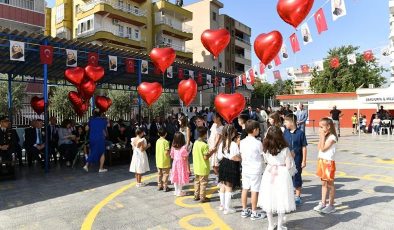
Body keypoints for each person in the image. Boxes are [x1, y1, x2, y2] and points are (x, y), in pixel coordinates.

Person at [258, 126, 296, 230]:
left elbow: (265, 161)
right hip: (282, 174)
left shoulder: (265, 148)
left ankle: (270, 225)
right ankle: (280, 226)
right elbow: (289, 166)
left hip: (269, 173)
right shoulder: (285, 149)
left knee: (269, 198)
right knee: (281, 199)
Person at [240, 120, 265, 220]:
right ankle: (254, 212)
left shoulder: (242, 142)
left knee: (245, 188)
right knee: (255, 190)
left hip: (245, 168)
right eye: (258, 129)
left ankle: (244, 210)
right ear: (255, 130)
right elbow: (262, 155)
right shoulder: (258, 143)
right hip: (255, 169)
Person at [314, 118, 338, 214]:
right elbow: (319, 147)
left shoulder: (332, 137)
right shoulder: (325, 136)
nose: (319, 129)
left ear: (328, 127)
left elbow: (323, 149)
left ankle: (331, 205)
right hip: (321, 161)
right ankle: (323, 202)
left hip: (328, 163)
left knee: (330, 185)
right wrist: (322, 136)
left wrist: (322, 136)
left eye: (321, 127)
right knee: (323, 183)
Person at [283, 114, 308, 206]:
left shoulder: (300, 133)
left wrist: (304, 160)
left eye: (286, 121)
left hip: (297, 159)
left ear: (292, 122)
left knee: (297, 177)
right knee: (287, 177)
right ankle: (289, 195)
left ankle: (298, 196)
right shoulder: (285, 132)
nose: (284, 123)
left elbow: (304, 147)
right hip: (286, 160)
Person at [217, 125, 241, 215]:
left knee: (222, 185)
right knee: (229, 187)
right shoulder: (234, 144)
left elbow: (219, 156)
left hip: (223, 164)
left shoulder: (222, 143)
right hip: (231, 166)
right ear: (231, 133)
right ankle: (227, 208)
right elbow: (235, 156)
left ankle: (222, 205)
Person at [192, 126, 213, 203]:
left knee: (197, 181)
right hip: (203, 167)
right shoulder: (205, 145)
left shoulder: (195, 143)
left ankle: (196, 195)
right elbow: (205, 157)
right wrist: (212, 152)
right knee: (203, 183)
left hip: (196, 166)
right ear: (204, 134)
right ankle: (202, 197)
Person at [170, 132, 189, 197]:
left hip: (175, 163)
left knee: (176, 177)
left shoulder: (173, 146)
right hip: (181, 164)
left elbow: (172, 156)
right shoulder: (183, 148)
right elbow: (185, 157)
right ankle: (179, 191)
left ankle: (176, 191)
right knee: (180, 177)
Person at [208, 112, 223, 179]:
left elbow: (219, 138)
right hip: (211, 145)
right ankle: (218, 178)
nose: (213, 119)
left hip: (217, 147)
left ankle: (220, 178)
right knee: (213, 164)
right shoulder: (213, 125)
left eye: (214, 118)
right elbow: (211, 135)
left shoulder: (221, 127)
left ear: (218, 118)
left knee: (216, 164)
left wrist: (215, 146)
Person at [155, 128, 171, 192]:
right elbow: (167, 152)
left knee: (159, 174)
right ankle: (165, 186)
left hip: (158, 160)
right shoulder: (166, 142)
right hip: (165, 161)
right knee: (165, 174)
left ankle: (159, 186)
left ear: (158, 134)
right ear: (166, 134)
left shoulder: (157, 141)